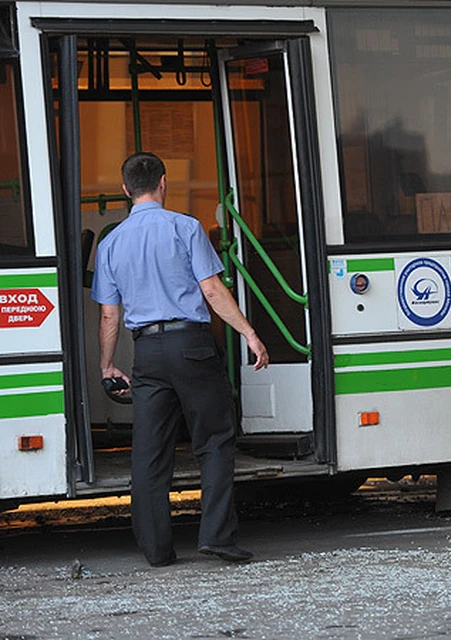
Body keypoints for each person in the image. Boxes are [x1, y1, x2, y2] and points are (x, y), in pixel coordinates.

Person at [92, 152, 269, 567]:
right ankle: (217, 538)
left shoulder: (112, 241)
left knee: (149, 453)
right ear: (163, 183)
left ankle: (156, 549)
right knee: (214, 440)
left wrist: (106, 366)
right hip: (191, 346)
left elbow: (108, 313)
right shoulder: (185, 227)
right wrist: (249, 332)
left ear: (125, 190)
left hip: (147, 353)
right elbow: (211, 290)